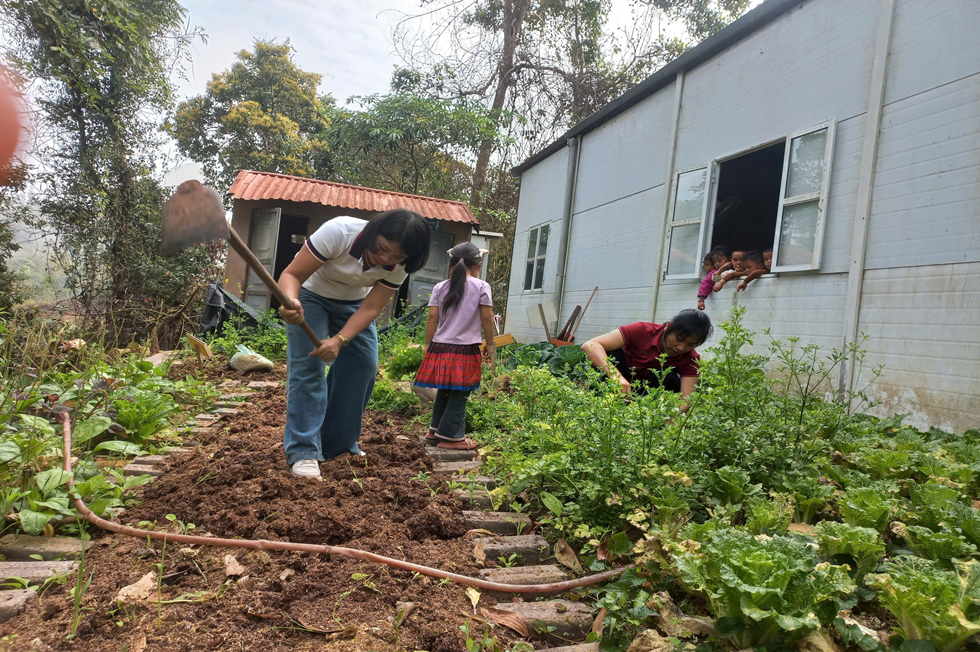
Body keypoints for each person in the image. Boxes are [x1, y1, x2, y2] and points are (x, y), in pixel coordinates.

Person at [278, 210, 431, 479]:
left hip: (355, 304)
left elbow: (371, 307)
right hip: (311, 296)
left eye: (395, 257)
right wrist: (290, 302)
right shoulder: (339, 232)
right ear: (374, 232)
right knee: (309, 368)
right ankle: (303, 451)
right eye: (382, 248)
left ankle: (337, 446)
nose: (384, 259)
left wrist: (339, 340)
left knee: (363, 365)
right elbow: (291, 275)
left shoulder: (401, 264)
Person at [413, 243, 495, 450]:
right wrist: (490, 344)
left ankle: (435, 431)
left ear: (451, 266)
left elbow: (432, 316)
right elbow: (487, 317)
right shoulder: (481, 286)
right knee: (460, 393)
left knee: (445, 389)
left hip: (440, 347)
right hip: (465, 349)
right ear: (477, 265)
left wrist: (428, 343)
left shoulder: (440, 287)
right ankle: (451, 438)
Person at [581, 310, 712, 412]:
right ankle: (599, 404)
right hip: (617, 383)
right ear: (668, 327)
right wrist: (615, 377)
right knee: (610, 354)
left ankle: (643, 412)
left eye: (690, 345)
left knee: (670, 378)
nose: (681, 348)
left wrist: (665, 415)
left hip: (646, 394)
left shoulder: (690, 358)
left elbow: (686, 400)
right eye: (679, 339)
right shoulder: (642, 330)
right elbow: (590, 345)